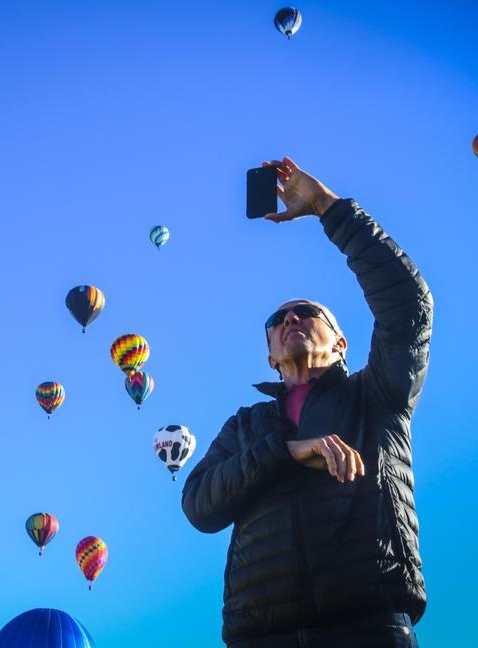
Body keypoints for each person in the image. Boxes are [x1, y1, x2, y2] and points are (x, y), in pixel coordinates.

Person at [181, 157, 433, 647]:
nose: (290, 319)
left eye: (308, 312)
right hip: (260, 635)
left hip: (364, 627)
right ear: (271, 357)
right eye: (277, 319)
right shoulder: (248, 425)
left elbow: (409, 305)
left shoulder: (376, 395)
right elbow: (199, 505)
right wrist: (285, 450)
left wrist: (326, 208)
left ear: (341, 343)